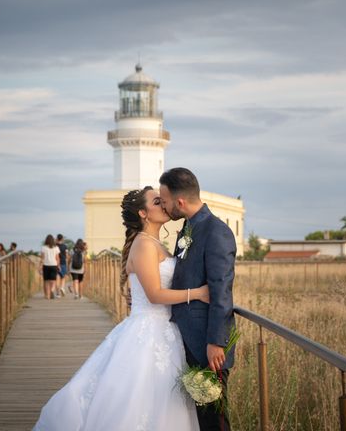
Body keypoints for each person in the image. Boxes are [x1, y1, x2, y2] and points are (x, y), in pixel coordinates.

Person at [34, 187, 208, 430]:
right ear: (143, 213)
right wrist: (199, 293)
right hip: (149, 332)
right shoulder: (145, 244)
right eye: (157, 201)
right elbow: (155, 294)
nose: (164, 204)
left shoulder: (155, 243)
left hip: (164, 331)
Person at [159, 167, 237, 431]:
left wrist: (216, 342)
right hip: (186, 338)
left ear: (180, 202)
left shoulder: (216, 232)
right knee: (200, 419)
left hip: (206, 342)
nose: (164, 206)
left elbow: (221, 292)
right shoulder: (188, 228)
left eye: (165, 200)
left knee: (215, 419)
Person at [39, 235, 60, 300]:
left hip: (46, 265)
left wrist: (40, 266)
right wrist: (58, 266)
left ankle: (47, 296)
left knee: (46, 281)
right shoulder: (56, 248)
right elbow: (57, 258)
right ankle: (52, 290)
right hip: (54, 265)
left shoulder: (43, 248)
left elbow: (42, 258)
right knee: (53, 280)